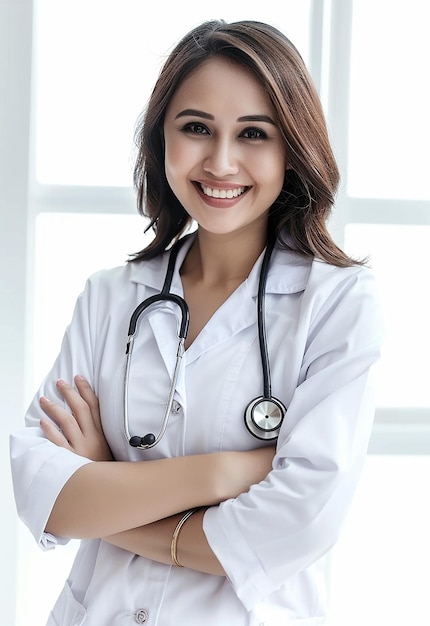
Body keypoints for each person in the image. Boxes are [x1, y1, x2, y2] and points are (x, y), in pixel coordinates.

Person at [10, 19, 383, 626]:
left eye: (254, 133)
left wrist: (105, 490)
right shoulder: (110, 297)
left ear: (293, 149)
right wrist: (227, 472)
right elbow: (41, 492)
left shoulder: (337, 303)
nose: (221, 161)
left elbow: (296, 524)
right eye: (196, 129)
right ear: (163, 139)